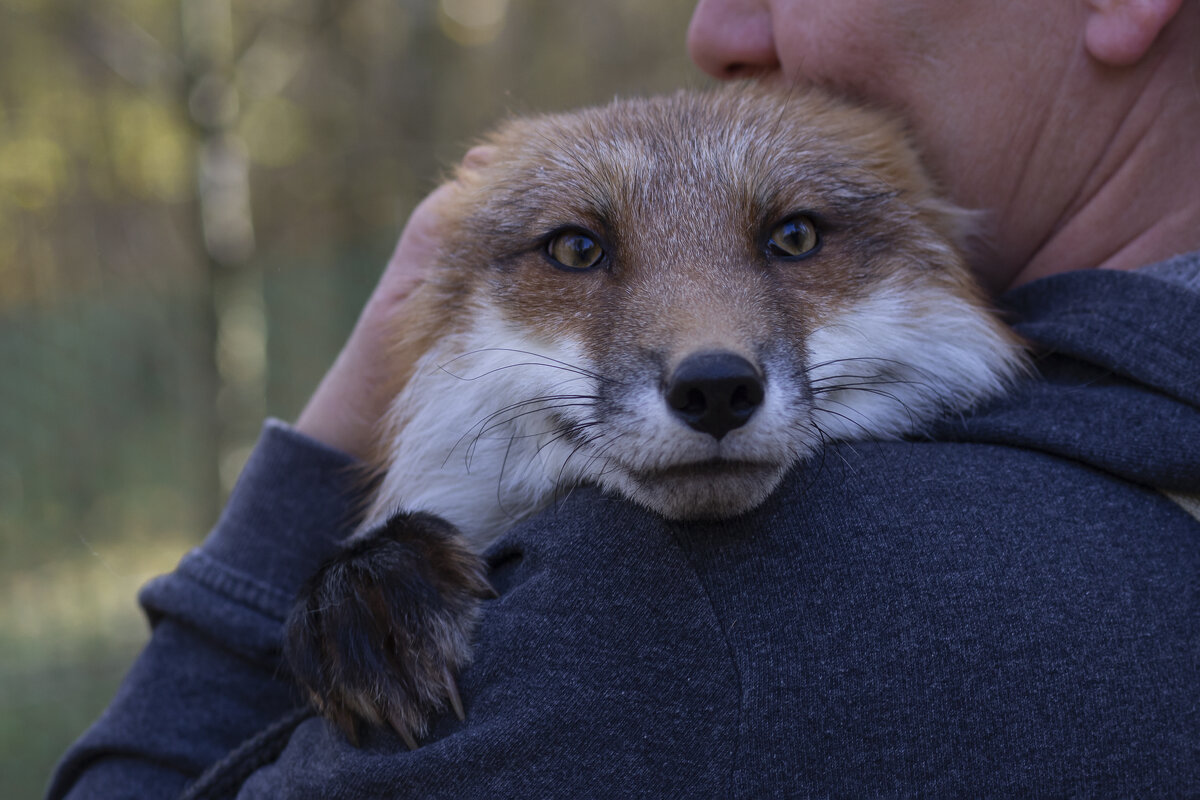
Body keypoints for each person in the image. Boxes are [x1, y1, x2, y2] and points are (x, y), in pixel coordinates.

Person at [49, 1, 1200, 796]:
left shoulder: (661, 616)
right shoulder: (1134, 459)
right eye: (579, 251)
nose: (708, 352)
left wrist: (302, 498)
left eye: (792, 236)